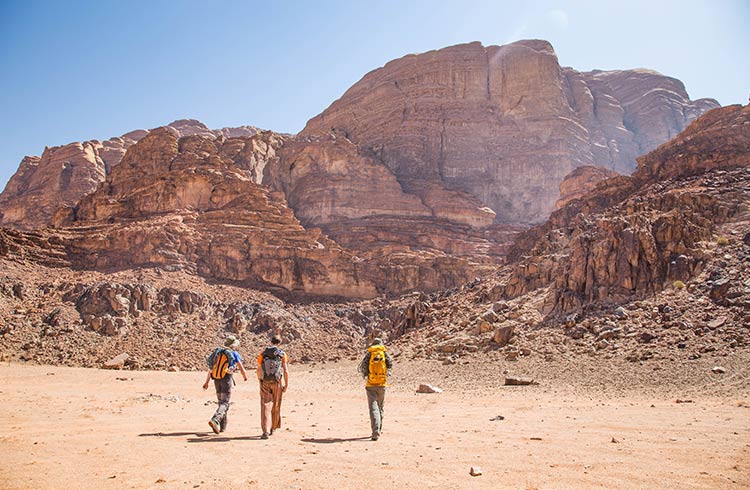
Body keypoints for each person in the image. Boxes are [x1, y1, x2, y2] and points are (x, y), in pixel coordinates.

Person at [202, 335, 248, 434]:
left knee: (221, 403)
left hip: (216, 379)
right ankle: (215, 420)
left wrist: (206, 382)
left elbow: (211, 369)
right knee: (225, 403)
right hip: (226, 379)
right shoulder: (234, 353)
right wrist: (244, 376)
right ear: (233, 345)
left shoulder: (218, 353)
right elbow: (240, 366)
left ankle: (222, 428)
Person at [358, 338, 393, 441]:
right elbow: (390, 365)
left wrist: (367, 375)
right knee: (380, 407)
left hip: (371, 385)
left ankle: (375, 431)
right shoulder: (384, 353)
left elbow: (363, 367)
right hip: (382, 384)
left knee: (373, 409)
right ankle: (379, 429)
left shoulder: (370, 354)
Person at [257, 334, 289, 439]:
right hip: (277, 382)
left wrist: (260, 380)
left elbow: (258, 368)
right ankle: (273, 427)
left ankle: (265, 431)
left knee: (265, 405)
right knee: (276, 404)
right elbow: (285, 370)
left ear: (271, 342)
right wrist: (286, 384)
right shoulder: (282, 354)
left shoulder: (263, 353)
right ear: (279, 343)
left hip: (264, 381)